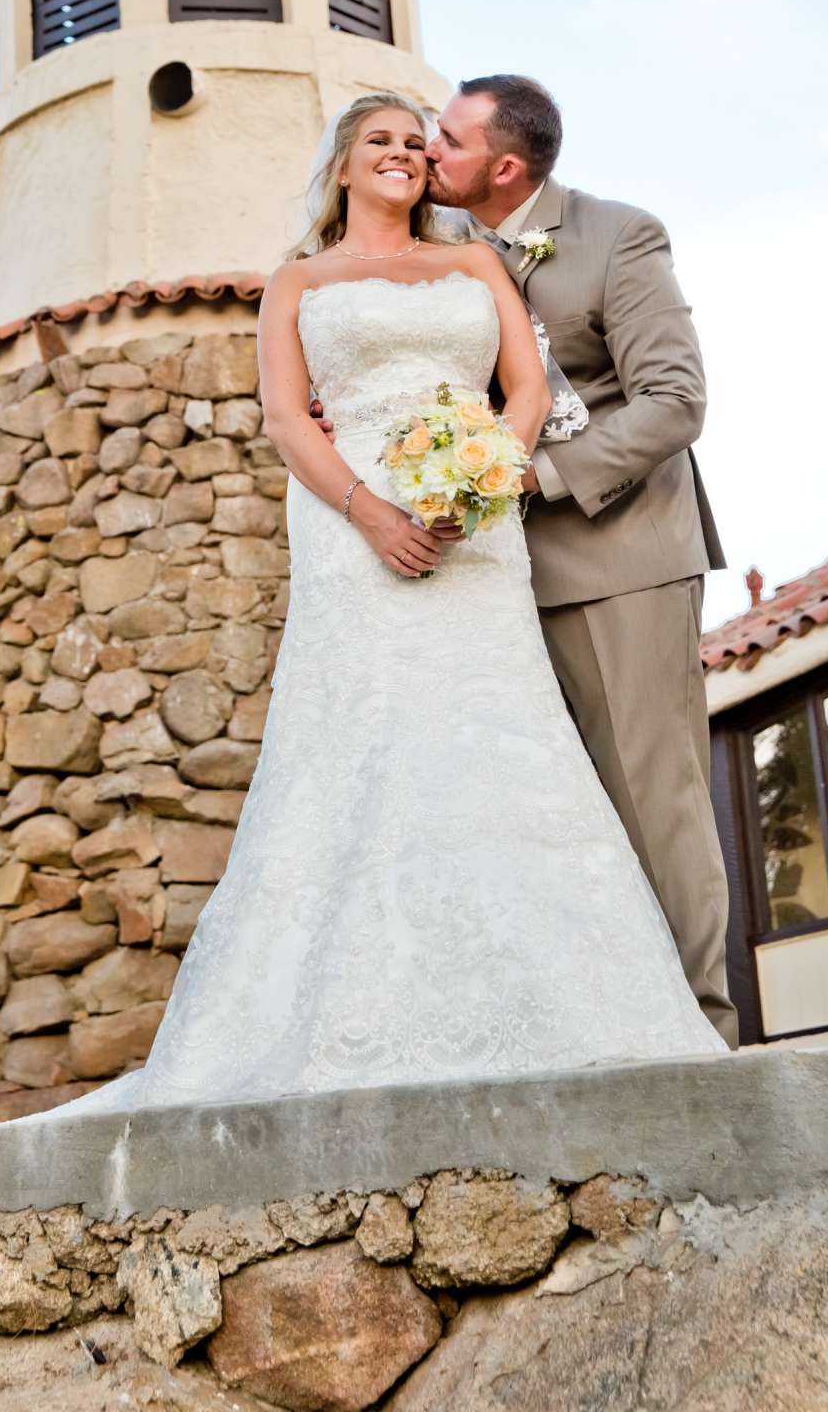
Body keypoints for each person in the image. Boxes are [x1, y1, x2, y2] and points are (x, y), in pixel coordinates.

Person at [69, 90, 724, 1115]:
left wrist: (482, 480)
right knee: (368, 756)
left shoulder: (501, 255)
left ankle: (677, 1025)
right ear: (337, 164)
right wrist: (367, 505)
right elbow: (289, 415)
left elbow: (553, 396)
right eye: (386, 140)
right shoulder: (304, 277)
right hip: (359, 532)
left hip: (520, 537)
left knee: (555, 770)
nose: (414, 154)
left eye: (429, 143)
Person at [424, 75, 736, 1048]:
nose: (428, 152)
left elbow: (674, 401)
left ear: (504, 166)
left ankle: (699, 1036)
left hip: (616, 559)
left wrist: (539, 479)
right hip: (478, 578)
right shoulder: (432, 245)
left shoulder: (617, 235)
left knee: (649, 796)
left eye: (448, 140)